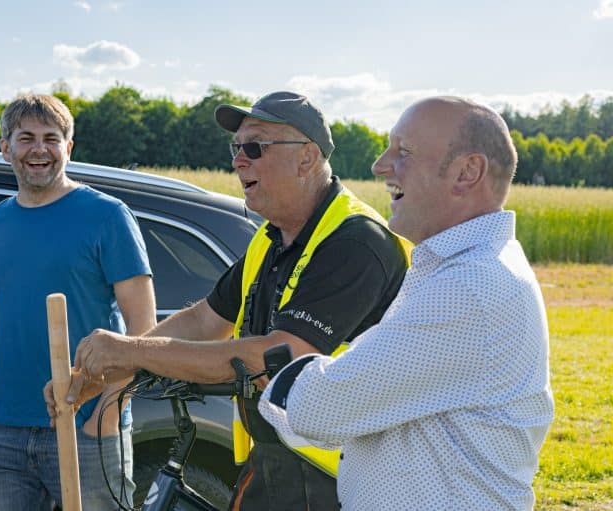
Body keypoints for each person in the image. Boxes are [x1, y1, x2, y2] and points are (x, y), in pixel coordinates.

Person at [48, 91, 410, 510]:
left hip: (343, 479)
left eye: (254, 147)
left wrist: (132, 350)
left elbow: (278, 357)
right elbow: (205, 319)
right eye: (236, 147)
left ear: (307, 159)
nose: (239, 160)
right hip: (277, 464)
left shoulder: (356, 241)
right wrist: (112, 369)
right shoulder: (272, 237)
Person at [258, 96, 555, 510]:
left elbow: (321, 410)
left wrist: (284, 377)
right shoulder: (465, 268)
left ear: (467, 172)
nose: (380, 165)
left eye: (404, 152)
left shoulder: (467, 286)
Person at [0, 94, 156, 511]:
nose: (38, 149)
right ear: (5, 148)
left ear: (68, 148)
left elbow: (144, 335)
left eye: (51, 138)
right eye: (25, 137)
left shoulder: (108, 216)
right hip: (2, 437)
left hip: (85, 428)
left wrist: (102, 420)